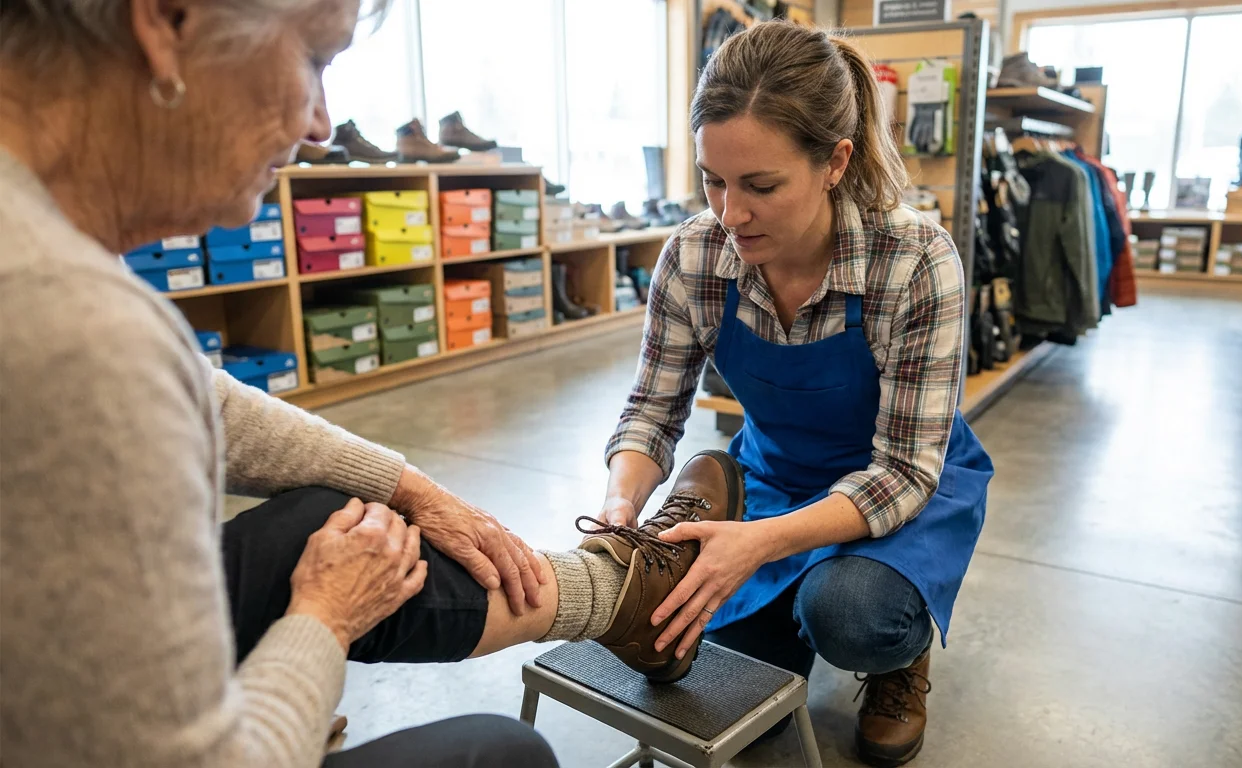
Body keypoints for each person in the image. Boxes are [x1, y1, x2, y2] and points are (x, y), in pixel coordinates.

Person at [0, 1, 729, 765]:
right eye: (315, 58)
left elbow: (198, 394)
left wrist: (408, 487)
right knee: (504, 752)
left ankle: (616, 605)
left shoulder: (47, 242)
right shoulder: (70, 327)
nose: (320, 123)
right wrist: (320, 622)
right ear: (168, 19)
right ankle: (616, 599)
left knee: (331, 519)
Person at [597, 21, 994, 768]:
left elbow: (906, 471)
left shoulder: (913, 263)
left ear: (834, 162)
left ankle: (897, 662)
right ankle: (777, 611)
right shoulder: (694, 256)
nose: (729, 213)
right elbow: (653, 410)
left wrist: (758, 546)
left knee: (848, 612)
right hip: (775, 478)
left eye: (761, 186)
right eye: (713, 179)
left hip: (900, 488)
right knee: (725, 690)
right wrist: (622, 508)